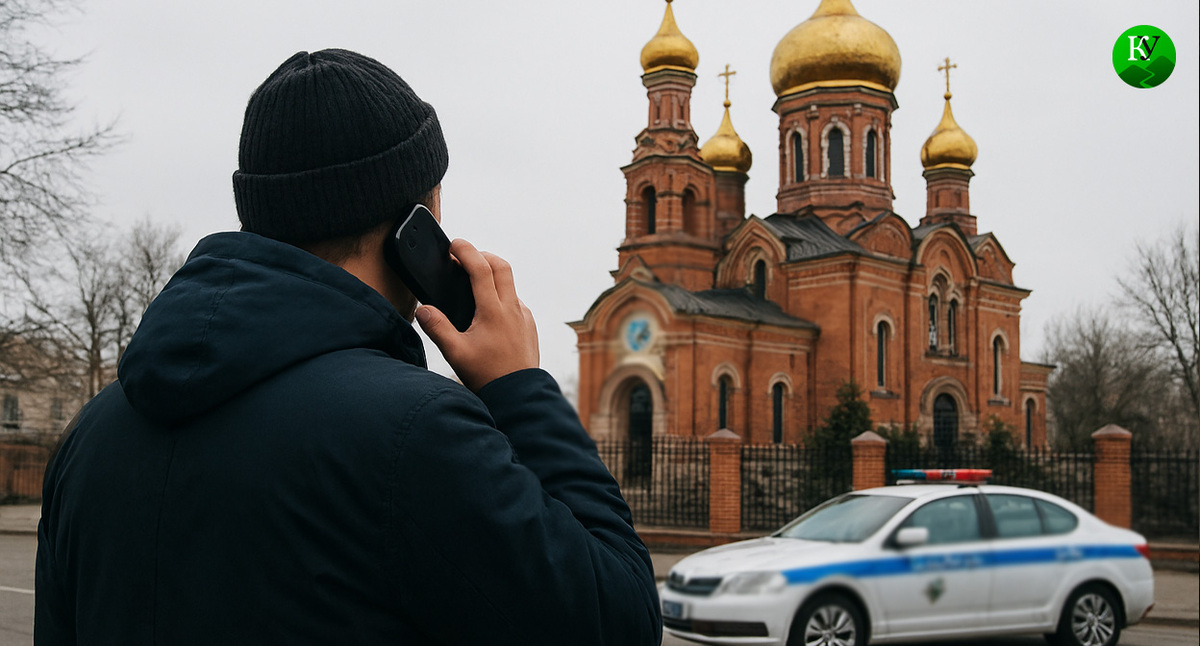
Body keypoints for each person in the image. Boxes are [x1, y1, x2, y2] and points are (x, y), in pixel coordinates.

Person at [35, 49, 662, 645]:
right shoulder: (416, 431)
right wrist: (521, 388)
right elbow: (620, 619)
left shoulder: (94, 433)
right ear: (419, 217)